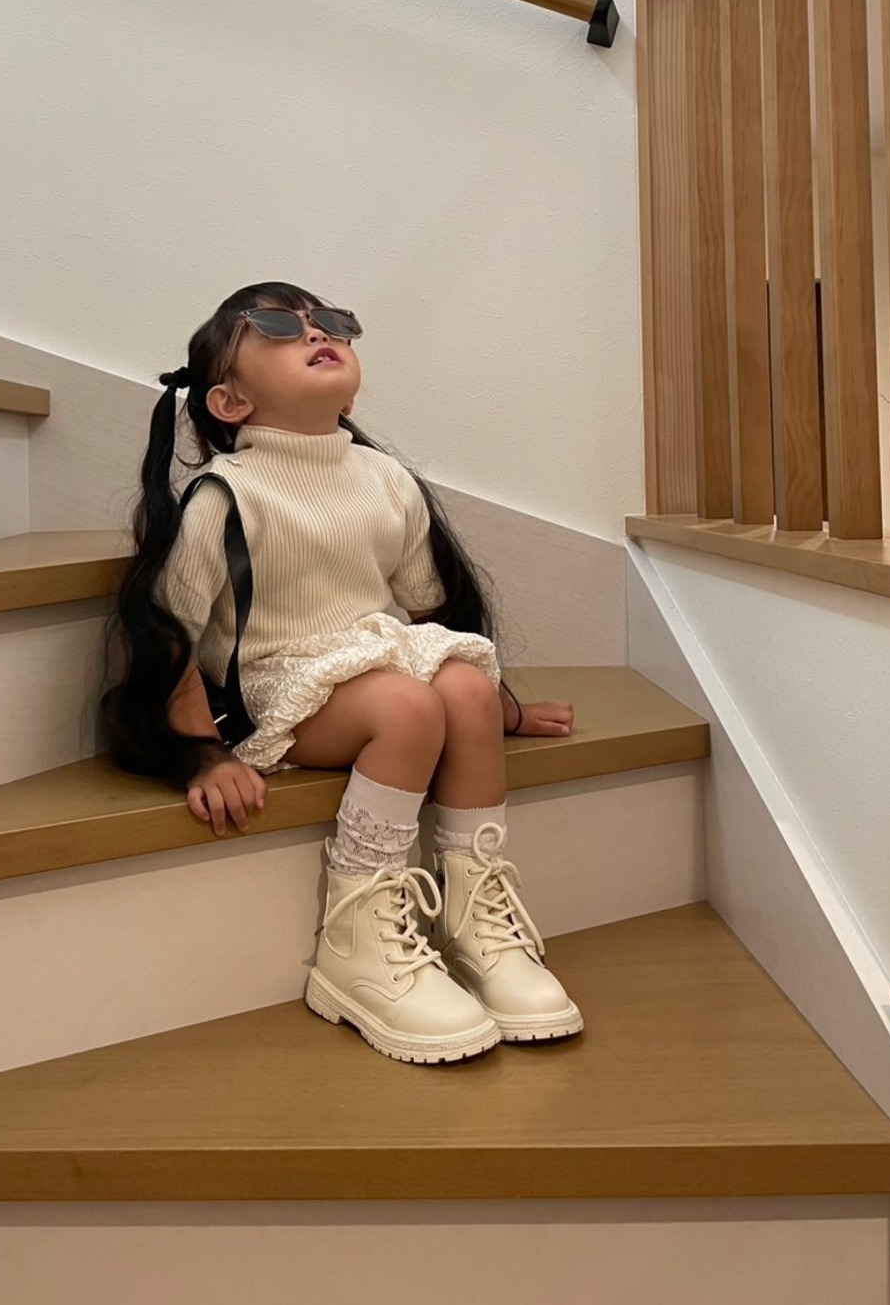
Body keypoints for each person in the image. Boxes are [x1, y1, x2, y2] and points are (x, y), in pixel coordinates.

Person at [102, 281, 583, 1064]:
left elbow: (430, 610)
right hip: (277, 688)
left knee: (463, 686)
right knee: (407, 707)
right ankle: (357, 935)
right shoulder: (226, 495)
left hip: (372, 661)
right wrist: (202, 753)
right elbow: (170, 634)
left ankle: (474, 917)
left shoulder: (384, 478)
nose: (316, 333)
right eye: (275, 326)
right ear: (229, 401)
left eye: (330, 323)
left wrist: (504, 708)